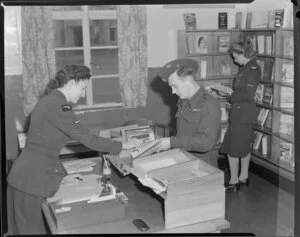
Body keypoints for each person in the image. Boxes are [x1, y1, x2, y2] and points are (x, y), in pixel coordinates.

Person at [6, 64, 136, 234]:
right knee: (31, 231)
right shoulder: (59, 106)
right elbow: (88, 139)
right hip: (32, 179)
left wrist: (63, 176)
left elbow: (44, 146)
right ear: (72, 83)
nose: (83, 95)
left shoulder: (49, 100)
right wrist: (122, 145)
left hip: (29, 174)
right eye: (83, 88)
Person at [156, 58, 221, 167]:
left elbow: (205, 142)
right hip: (184, 159)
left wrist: (171, 142)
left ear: (188, 79)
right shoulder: (183, 100)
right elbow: (182, 133)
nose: (173, 91)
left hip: (202, 166)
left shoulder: (209, 104)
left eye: (175, 86)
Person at [220, 41, 261, 192]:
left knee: (233, 148)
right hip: (242, 113)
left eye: (235, 56)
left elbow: (248, 94)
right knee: (243, 146)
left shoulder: (252, 69)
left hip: (242, 115)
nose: (234, 60)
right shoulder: (248, 68)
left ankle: (233, 181)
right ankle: (243, 177)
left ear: (243, 54)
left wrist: (230, 94)